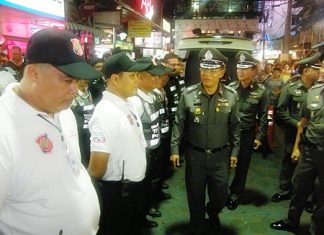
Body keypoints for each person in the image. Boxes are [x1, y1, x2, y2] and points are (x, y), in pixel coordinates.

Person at [0, 28, 102, 235]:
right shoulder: (4, 129)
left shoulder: (63, 112)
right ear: (34, 73)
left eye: (77, 81)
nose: (75, 89)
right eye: (67, 80)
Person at [170, 48, 241, 234]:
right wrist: (174, 149)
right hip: (195, 157)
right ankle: (197, 226)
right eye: (203, 69)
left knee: (221, 196)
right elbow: (179, 124)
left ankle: (213, 211)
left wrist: (234, 152)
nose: (206, 74)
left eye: (212, 70)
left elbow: (235, 127)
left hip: (220, 157)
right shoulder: (188, 95)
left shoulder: (231, 96)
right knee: (195, 196)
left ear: (222, 72)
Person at [87, 51, 150, 235]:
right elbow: (97, 168)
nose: (137, 80)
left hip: (133, 188)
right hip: (120, 192)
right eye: (132, 76)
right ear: (115, 79)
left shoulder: (127, 103)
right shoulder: (106, 113)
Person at [270, 59, 323, 235]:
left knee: (321, 194)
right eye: (320, 68)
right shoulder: (313, 92)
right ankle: (292, 219)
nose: (321, 71)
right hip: (307, 146)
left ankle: (316, 228)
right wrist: (297, 146)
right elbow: (300, 120)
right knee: (299, 185)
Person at [227, 51, 269, 210]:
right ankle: (221, 191)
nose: (241, 72)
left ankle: (235, 194)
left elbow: (264, 117)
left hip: (246, 134)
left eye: (245, 68)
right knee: (224, 163)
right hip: (229, 133)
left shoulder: (261, 91)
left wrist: (259, 136)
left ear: (253, 71)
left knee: (242, 165)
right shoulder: (229, 89)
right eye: (239, 68)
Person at [71, 79, 95, 168]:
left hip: (90, 132)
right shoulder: (72, 94)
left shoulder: (88, 92)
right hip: (80, 134)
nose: (85, 80)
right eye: (82, 78)